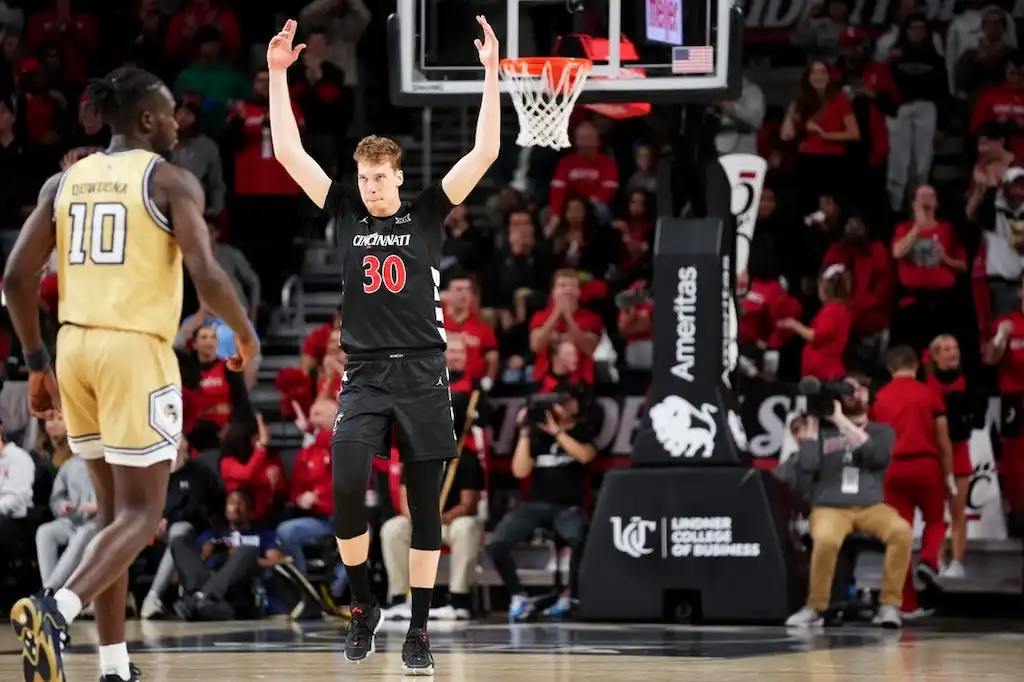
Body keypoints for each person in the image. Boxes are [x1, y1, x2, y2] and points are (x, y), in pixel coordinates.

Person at [3, 66, 257, 682]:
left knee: (115, 515)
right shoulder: (170, 179)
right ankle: (56, 608)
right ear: (146, 119)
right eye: (170, 113)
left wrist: (37, 363)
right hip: (133, 352)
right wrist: (243, 333)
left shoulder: (64, 182)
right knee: (143, 515)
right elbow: (210, 276)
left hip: (74, 349)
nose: (177, 123)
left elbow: (14, 281)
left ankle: (114, 665)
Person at [267, 16, 500, 674]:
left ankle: (419, 627)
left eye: (379, 177)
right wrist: (281, 76)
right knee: (346, 490)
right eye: (363, 178)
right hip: (365, 375)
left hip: (424, 375)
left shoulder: (425, 211)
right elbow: (290, 154)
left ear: (397, 175)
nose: (370, 186)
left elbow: (483, 154)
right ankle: (366, 605)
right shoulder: (341, 209)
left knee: (423, 508)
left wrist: (490, 75)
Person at [783, 374, 910, 629]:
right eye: (850, 390)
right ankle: (815, 607)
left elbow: (877, 457)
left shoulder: (882, 431)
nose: (856, 394)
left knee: (901, 531)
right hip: (830, 506)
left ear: (869, 395)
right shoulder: (822, 432)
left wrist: (841, 421)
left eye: (861, 389)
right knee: (827, 539)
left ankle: (889, 605)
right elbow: (807, 466)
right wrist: (815, 426)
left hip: (870, 505)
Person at [872, 345, 955, 618]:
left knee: (900, 537)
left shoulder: (880, 397)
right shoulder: (929, 394)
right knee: (936, 521)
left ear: (890, 368)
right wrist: (949, 474)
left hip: (893, 469)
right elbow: (943, 439)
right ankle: (930, 561)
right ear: (917, 367)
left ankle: (905, 604)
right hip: (925, 465)